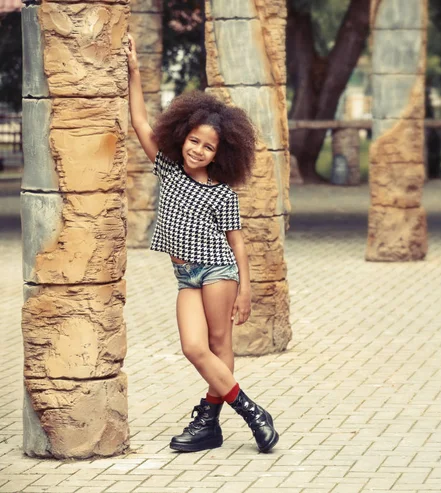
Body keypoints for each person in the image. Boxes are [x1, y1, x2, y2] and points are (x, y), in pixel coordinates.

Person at [125, 35, 278, 454]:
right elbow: (140, 122)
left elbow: (238, 243)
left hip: (217, 271)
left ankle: (211, 422)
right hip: (185, 275)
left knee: (218, 345)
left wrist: (245, 289)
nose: (198, 150)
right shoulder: (169, 169)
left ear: (219, 153)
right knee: (193, 347)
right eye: (194, 141)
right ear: (183, 136)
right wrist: (135, 72)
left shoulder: (222, 193)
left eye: (208, 147)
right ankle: (250, 411)